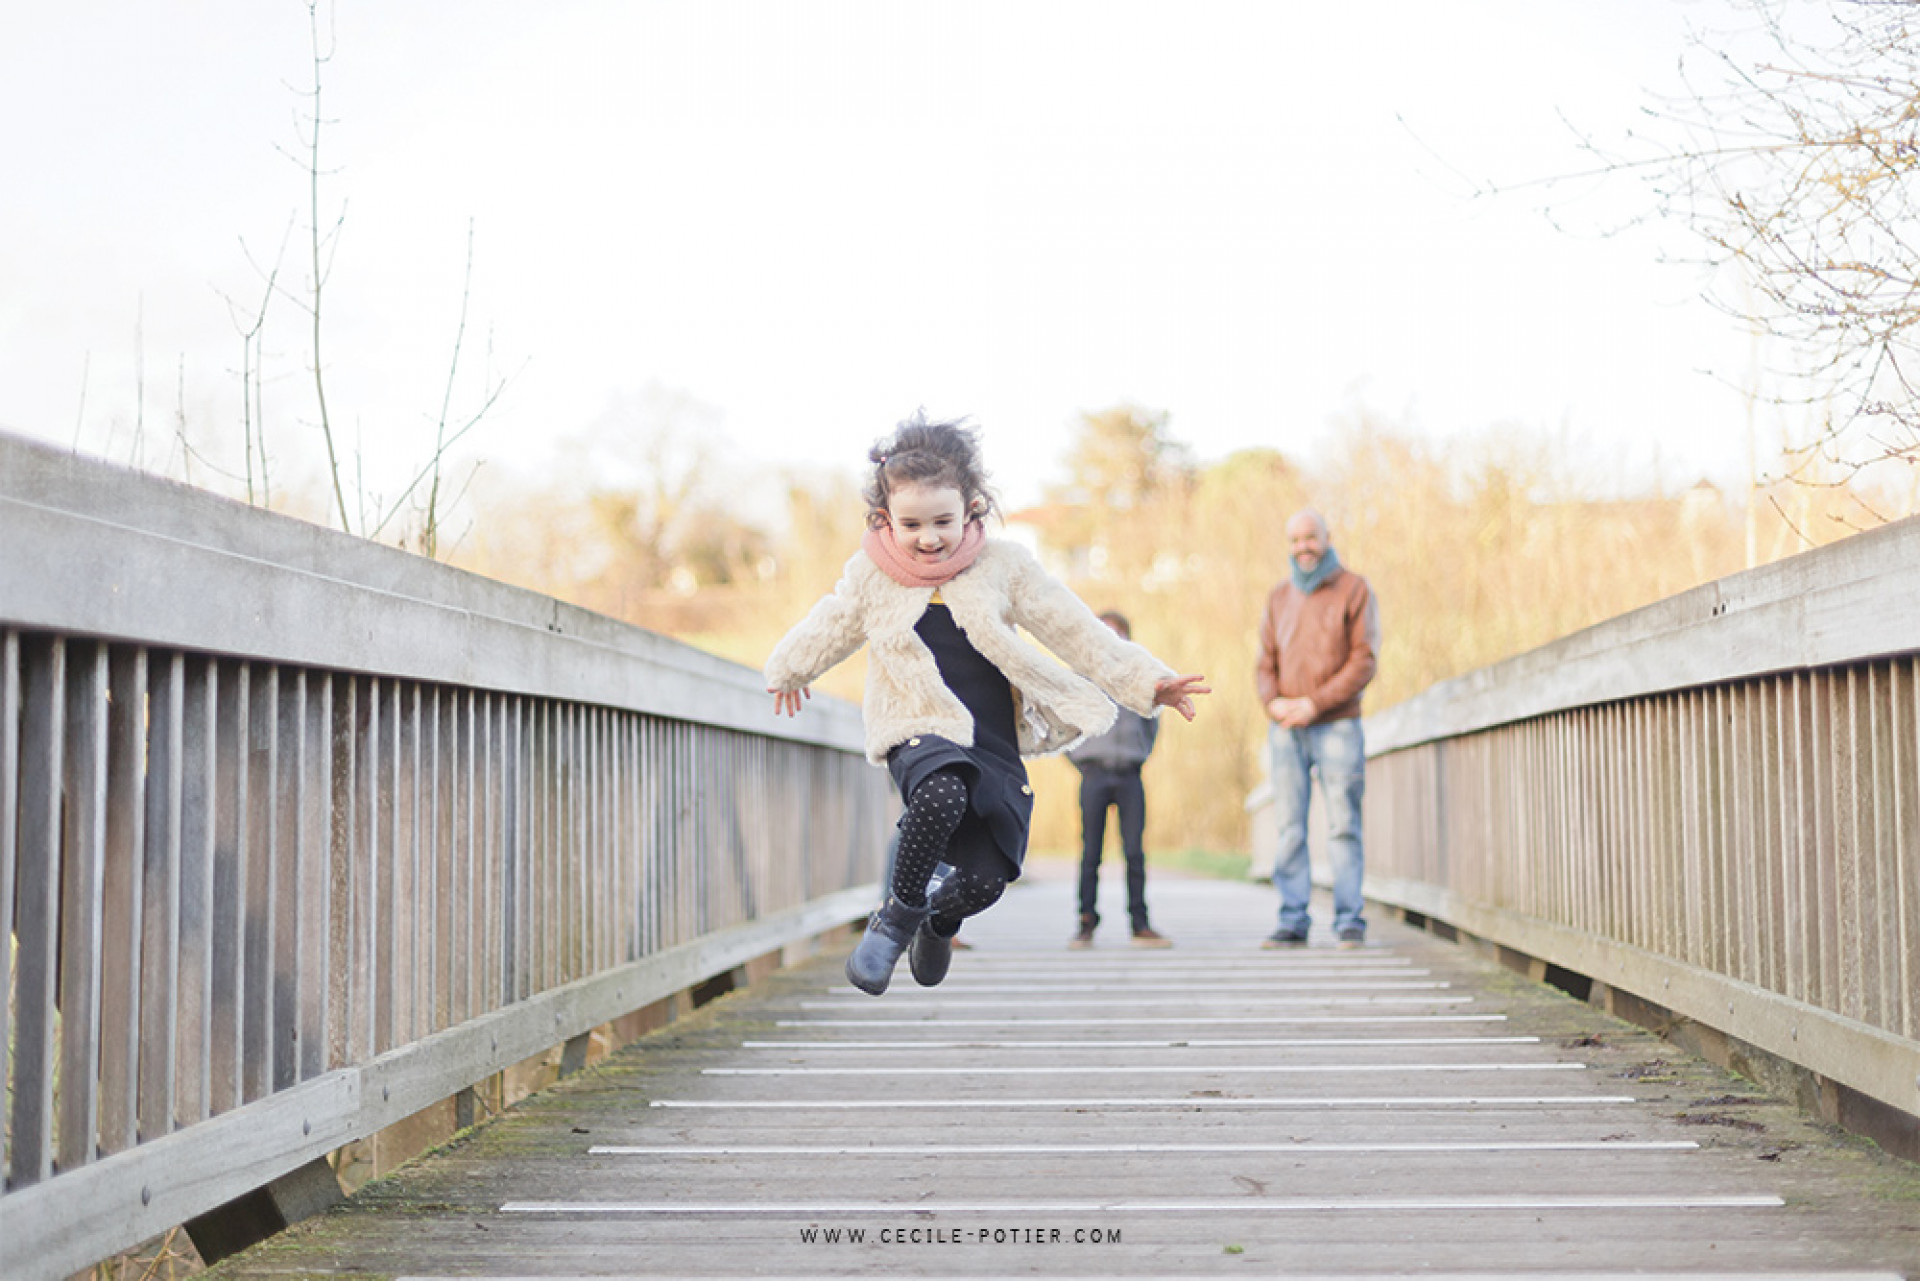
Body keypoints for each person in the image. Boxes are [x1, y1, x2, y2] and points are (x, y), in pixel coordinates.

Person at [766, 413, 1209, 995]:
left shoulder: (1003, 566)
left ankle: (938, 922)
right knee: (941, 790)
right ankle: (895, 918)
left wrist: (1148, 682)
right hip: (916, 724)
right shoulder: (873, 576)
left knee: (987, 877)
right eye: (912, 524)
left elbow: (1073, 628)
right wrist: (787, 667)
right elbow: (831, 622)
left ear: (972, 508)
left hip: (990, 739)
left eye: (944, 521)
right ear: (884, 519)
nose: (929, 538)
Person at [1254, 508, 1379, 950]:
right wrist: (1275, 705)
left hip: (1338, 725)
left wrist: (1314, 703)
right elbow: (1264, 663)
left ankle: (1349, 921)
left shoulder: (1354, 589)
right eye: (1294, 540)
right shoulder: (1278, 596)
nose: (1302, 547)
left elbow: (1364, 660)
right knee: (1289, 827)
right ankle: (1292, 919)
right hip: (1286, 729)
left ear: (1327, 538)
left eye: (1310, 538)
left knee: (1343, 826)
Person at [1068, 611, 1171, 949]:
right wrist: (1081, 760)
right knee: (1091, 852)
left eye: (1118, 634)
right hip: (1093, 774)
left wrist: (1138, 752)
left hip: (1129, 775)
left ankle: (1140, 924)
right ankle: (1085, 923)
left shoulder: (1140, 679)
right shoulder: (1079, 678)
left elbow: (1152, 724)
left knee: (1134, 852)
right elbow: (1063, 725)